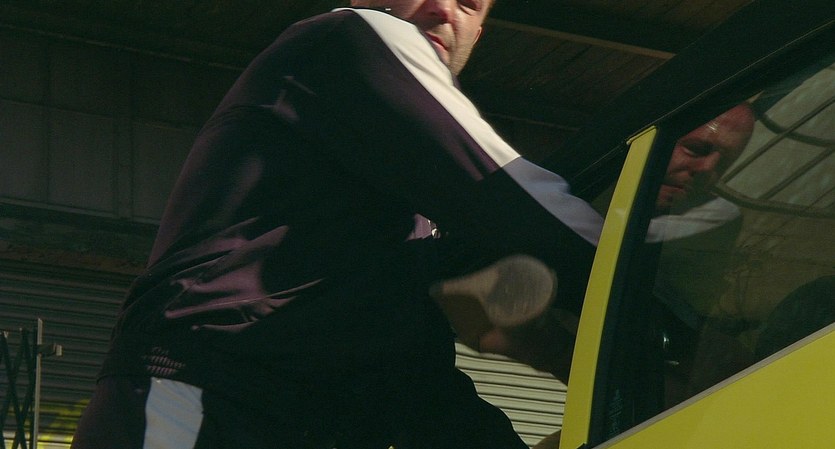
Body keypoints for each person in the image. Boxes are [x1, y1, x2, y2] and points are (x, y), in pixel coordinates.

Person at [71, 1, 604, 448]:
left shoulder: (398, 224)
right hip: (203, 403)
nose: (444, 9)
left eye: (469, 3)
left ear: (479, 32)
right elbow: (517, 206)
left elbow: (413, 375)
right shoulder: (352, 34)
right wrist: (632, 274)